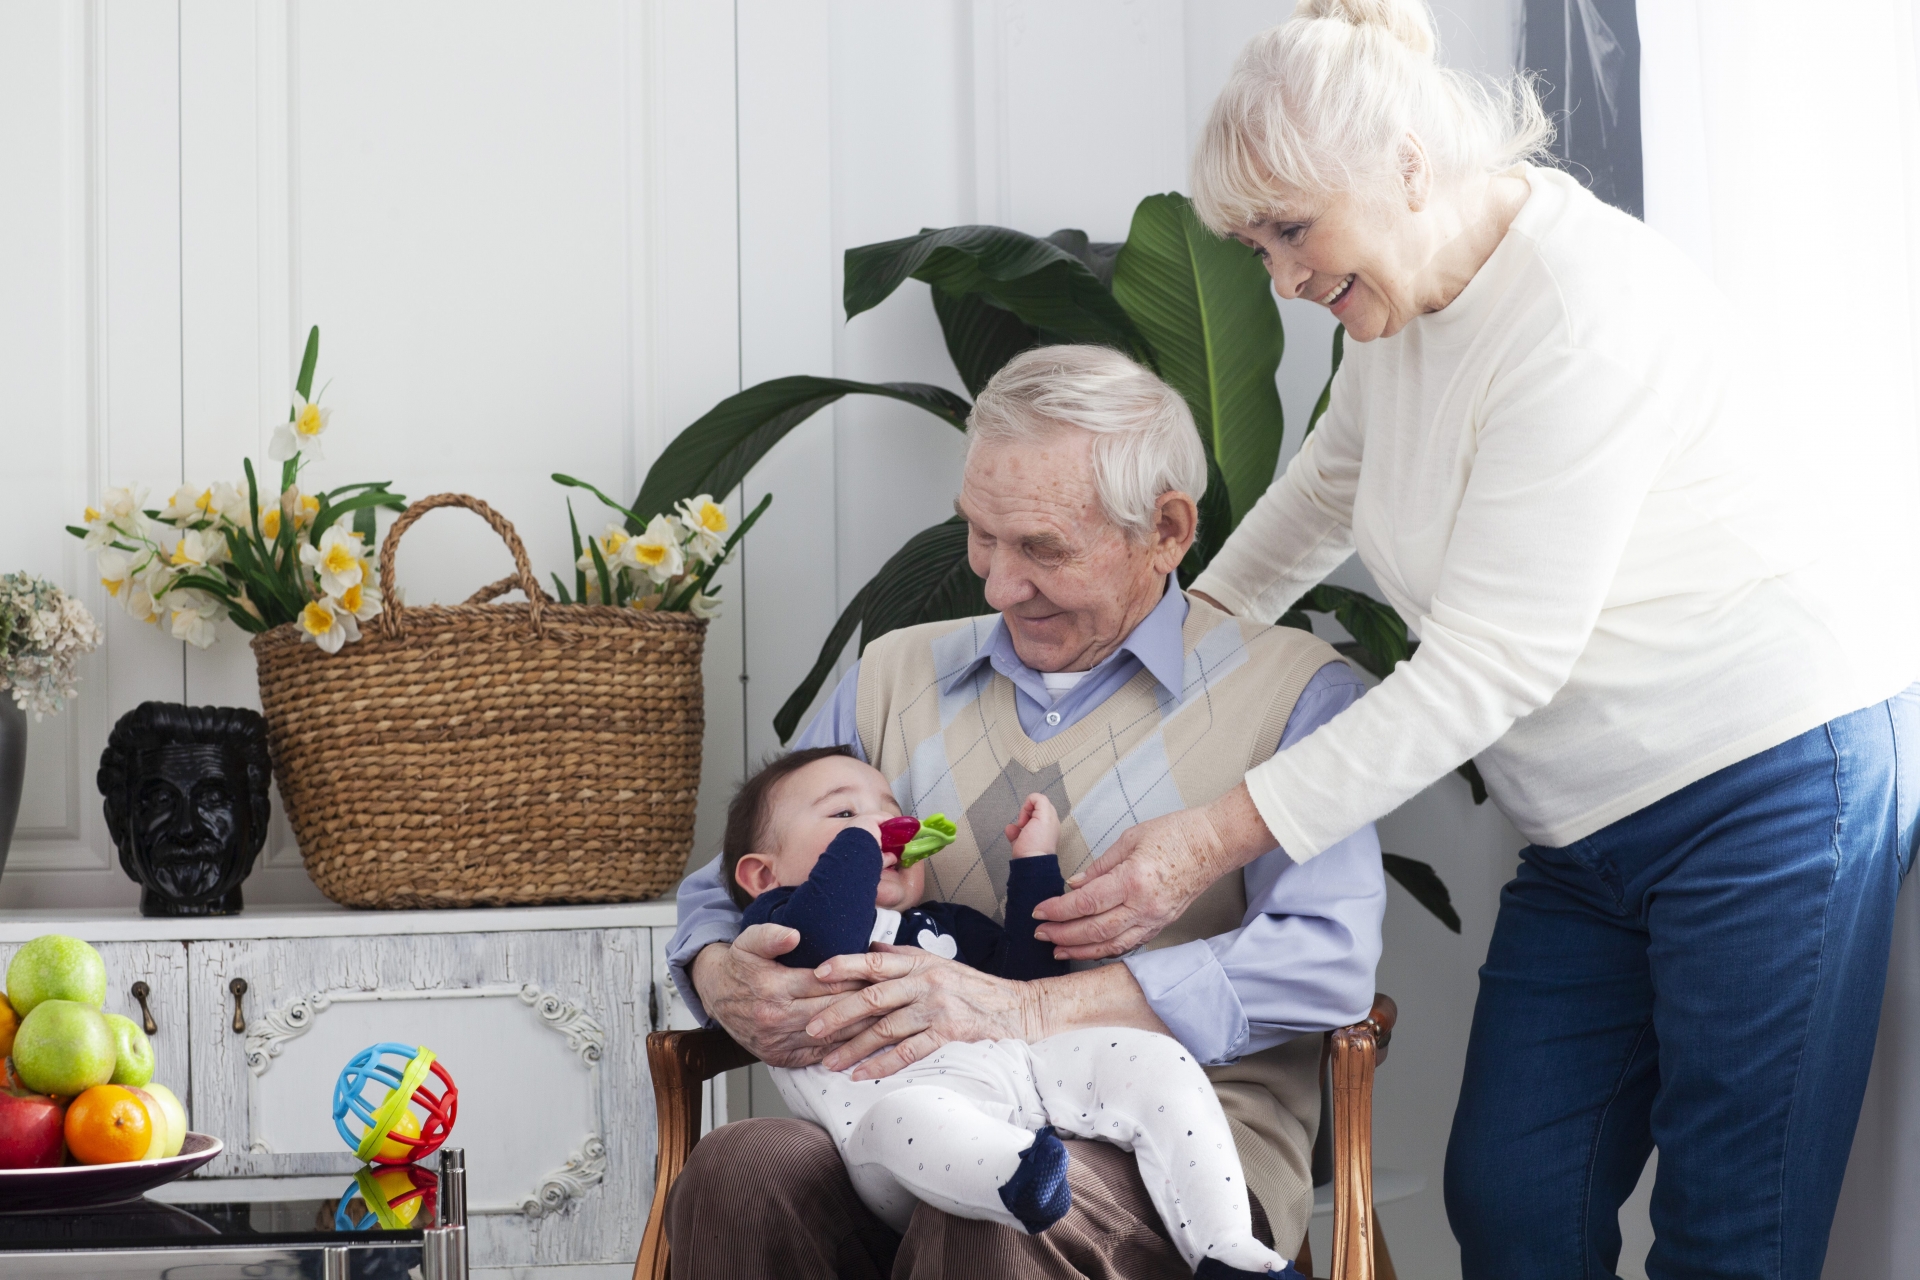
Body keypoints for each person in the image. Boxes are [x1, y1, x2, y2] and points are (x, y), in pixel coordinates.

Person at [1029, 3, 1920, 1278]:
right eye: (1258, 246)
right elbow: (1321, 494)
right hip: (1584, 828)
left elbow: (1492, 662)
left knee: (1732, 1232)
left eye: (1292, 232)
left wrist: (1207, 837)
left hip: (1762, 783)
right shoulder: (1400, 311)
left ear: (1406, 165)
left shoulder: (1580, 312)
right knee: (1511, 1197)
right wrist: (1175, 655)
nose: (1281, 280)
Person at [664, 343, 1387, 1278]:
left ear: (1166, 530)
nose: (998, 585)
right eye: (981, 535)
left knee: (1004, 1217)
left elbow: (1325, 957)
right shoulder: (891, 673)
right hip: (905, 1110)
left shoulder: (1295, 694)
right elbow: (737, 876)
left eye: (1043, 548)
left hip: (1171, 1138)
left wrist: (1025, 1008)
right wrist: (722, 972)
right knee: (739, 1172)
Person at [720, 744, 1298, 1278]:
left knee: (1149, 1059)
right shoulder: (774, 925)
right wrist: (863, 843)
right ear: (762, 875)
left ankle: (1231, 1252)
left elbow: (1027, 983)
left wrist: (1034, 865)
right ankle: (1014, 1176)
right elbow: (826, 935)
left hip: (1016, 1079)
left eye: (894, 813)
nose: (887, 825)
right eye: (844, 813)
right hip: (892, 1125)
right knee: (911, 1117)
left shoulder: (944, 924)